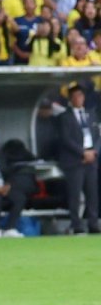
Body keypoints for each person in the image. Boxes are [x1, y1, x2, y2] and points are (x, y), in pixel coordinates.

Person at [56, 85, 100, 234]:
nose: (78, 99)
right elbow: (66, 139)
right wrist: (82, 153)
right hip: (75, 161)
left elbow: (97, 135)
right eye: (75, 96)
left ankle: (93, 223)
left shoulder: (91, 114)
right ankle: (77, 225)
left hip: (91, 159)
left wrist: (94, 152)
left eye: (80, 95)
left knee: (92, 194)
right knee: (74, 194)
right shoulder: (64, 117)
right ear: (70, 99)